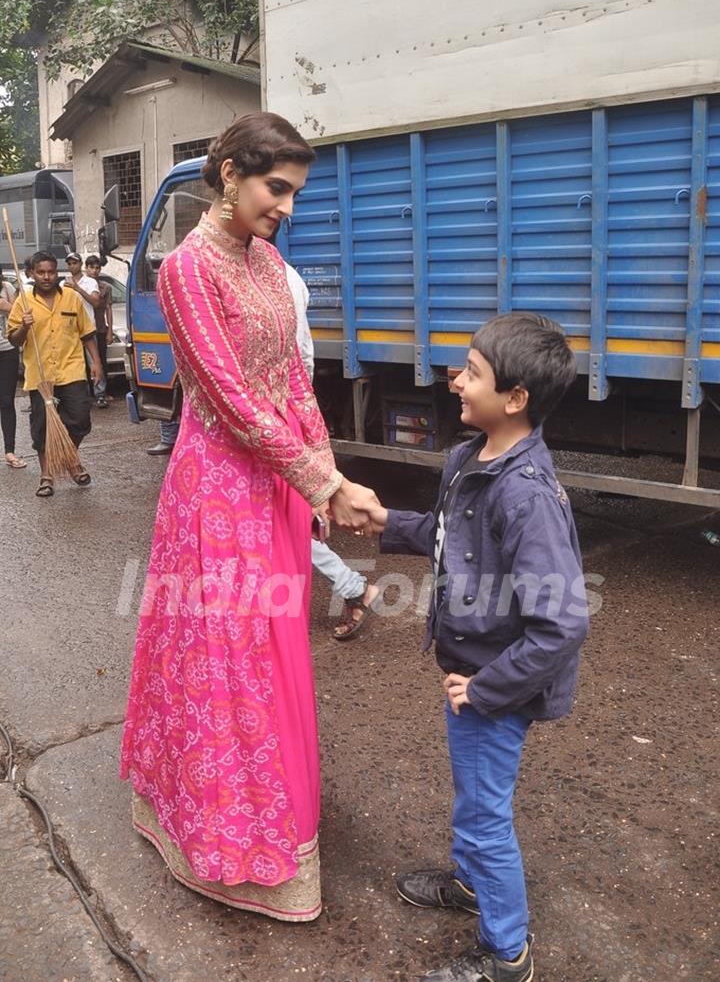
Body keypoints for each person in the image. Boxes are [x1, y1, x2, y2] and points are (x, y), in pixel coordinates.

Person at [120, 112, 376, 922]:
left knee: (273, 652)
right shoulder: (186, 272)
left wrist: (324, 478)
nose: (287, 207)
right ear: (228, 172)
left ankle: (273, 818)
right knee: (229, 662)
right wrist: (318, 481)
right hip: (219, 492)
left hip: (273, 486)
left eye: (294, 192)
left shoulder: (265, 262)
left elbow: (294, 380)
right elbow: (231, 402)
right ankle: (227, 834)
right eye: (277, 188)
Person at [354, 313, 590, 982]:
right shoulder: (469, 459)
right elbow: (449, 534)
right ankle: (472, 886)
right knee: (473, 796)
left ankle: (506, 952)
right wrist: (388, 522)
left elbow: (564, 622)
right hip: (472, 670)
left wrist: (486, 689)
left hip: (495, 686)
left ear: (515, 398)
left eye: (473, 373)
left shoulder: (526, 496)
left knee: (486, 814)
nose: (456, 380)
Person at [282, 259, 380, 639]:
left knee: (286, 520)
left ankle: (354, 588)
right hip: (289, 413)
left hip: (278, 418)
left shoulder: (274, 275)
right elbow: (303, 357)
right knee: (287, 520)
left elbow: (297, 357)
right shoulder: (286, 274)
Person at [7, 251, 103, 497]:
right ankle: (47, 475)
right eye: (41, 272)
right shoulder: (23, 302)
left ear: (56, 273)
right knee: (42, 428)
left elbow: (87, 334)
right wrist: (24, 326)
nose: (47, 277)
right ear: (32, 274)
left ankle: (69, 457)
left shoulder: (71, 298)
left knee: (81, 421)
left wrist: (97, 363)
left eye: (51, 272)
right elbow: (15, 340)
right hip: (40, 376)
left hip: (71, 370)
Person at [62, 252, 105, 407]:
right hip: (70, 329)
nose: (72, 266)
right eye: (69, 263)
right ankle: (82, 395)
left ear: (80, 264)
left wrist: (77, 288)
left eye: (75, 263)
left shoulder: (90, 282)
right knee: (76, 364)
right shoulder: (63, 283)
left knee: (94, 360)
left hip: (88, 328)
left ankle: (100, 394)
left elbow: (95, 302)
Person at [0, 273, 26, 468]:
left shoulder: (7, 288)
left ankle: (10, 451)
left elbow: (16, 313)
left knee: (7, 401)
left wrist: (11, 303)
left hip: (7, 350)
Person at [84, 255, 112, 408]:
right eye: (91, 267)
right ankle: (86, 394)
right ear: (86, 268)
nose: (94, 270)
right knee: (82, 363)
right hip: (82, 329)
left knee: (99, 360)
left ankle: (101, 394)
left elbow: (108, 309)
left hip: (99, 328)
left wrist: (109, 331)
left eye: (97, 268)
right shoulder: (80, 285)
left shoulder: (105, 287)